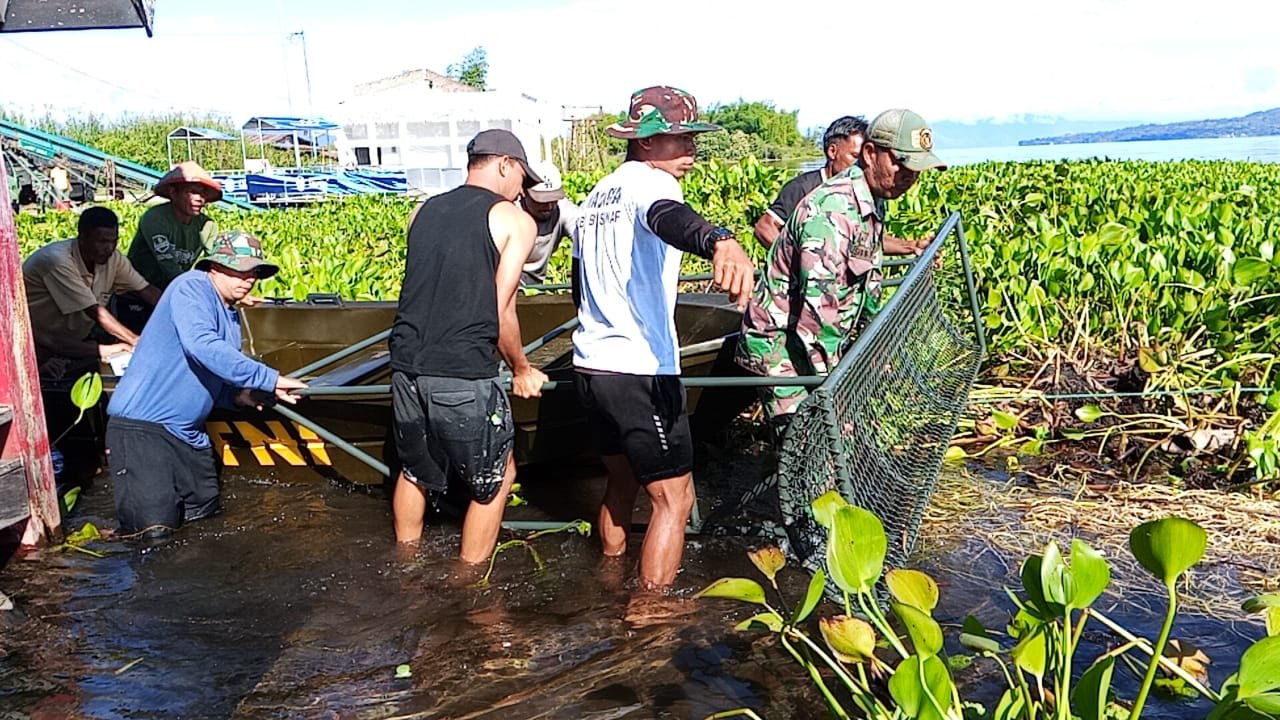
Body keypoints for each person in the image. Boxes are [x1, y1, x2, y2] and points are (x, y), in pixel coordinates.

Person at [572, 86, 755, 591]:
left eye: (692, 138)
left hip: (591, 365)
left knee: (623, 480)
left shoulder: (595, 197)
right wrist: (721, 240)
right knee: (676, 500)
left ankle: (610, 581)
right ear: (645, 144)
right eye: (679, 139)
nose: (691, 152)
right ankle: (653, 617)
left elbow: (577, 283)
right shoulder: (652, 187)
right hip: (639, 371)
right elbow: (667, 219)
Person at [389, 128, 549, 564]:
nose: (522, 191)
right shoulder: (515, 220)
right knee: (497, 479)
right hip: (462, 371)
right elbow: (501, 311)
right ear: (505, 165)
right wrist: (521, 368)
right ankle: (469, 586)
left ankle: (406, 564)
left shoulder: (423, 210)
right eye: (522, 178)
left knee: (415, 470)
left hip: (406, 365)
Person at [736, 109, 946, 430]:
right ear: (871, 154)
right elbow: (818, 320)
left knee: (835, 437)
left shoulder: (873, 197)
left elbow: (867, 280)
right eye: (901, 164)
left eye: (916, 169)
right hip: (781, 344)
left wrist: (879, 346)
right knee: (810, 439)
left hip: (816, 334)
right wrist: (836, 386)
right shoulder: (832, 210)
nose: (909, 176)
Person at [105, 231, 307, 538]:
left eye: (254, 272)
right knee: (154, 535)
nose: (249, 278)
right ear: (214, 267)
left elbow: (210, 372)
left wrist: (238, 396)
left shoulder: (230, 315)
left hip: (188, 435)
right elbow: (202, 345)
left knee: (204, 522)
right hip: (144, 431)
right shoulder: (191, 286)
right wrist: (269, 378)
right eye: (240, 270)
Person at [22, 206, 161, 378]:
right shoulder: (56, 260)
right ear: (83, 237)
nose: (109, 248)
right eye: (102, 242)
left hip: (68, 344)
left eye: (114, 241)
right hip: (33, 342)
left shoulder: (114, 259)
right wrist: (135, 341)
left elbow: (146, 291)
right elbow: (95, 312)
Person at [752, 116, 868, 249]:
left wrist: (898, 245)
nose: (860, 165)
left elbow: (870, 237)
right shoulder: (802, 188)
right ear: (832, 151)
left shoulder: (859, 191)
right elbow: (764, 228)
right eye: (855, 156)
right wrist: (796, 262)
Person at [126, 161, 222, 290]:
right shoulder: (155, 218)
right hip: (138, 290)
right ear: (173, 193)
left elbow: (215, 262)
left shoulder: (207, 225)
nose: (199, 198)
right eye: (192, 192)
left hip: (176, 288)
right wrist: (193, 290)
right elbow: (168, 264)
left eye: (203, 193)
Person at [518, 160, 579, 287]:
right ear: (524, 192)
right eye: (542, 200)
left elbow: (585, 234)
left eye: (553, 199)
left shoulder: (562, 210)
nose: (549, 206)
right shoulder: (511, 212)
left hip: (538, 285)